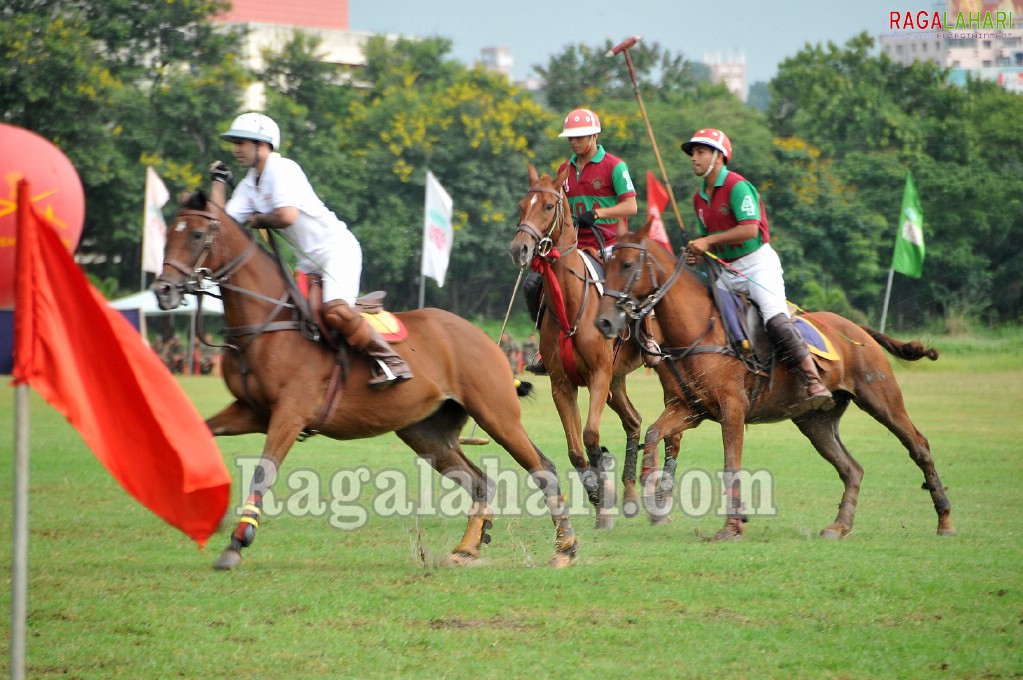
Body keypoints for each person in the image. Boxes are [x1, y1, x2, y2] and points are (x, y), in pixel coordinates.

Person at [208, 112, 412, 388]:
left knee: (336, 311)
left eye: (242, 142)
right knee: (287, 312)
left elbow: (287, 216)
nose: (236, 149)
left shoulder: (282, 169)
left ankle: (392, 361)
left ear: (262, 145)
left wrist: (258, 220)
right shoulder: (248, 184)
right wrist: (218, 182)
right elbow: (222, 224)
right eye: (234, 143)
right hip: (307, 264)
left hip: (336, 250)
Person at [681, 128, 833, 409]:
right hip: (726, 272)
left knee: (775, 320)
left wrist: (708, 241)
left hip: (757, 266)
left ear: (719, 156)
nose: (694, 158)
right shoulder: (699, 197)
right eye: (693, 153)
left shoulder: (738, 187)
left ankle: (812, 378)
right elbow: (709, 243)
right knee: (706, 318)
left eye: (701, 152)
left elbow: (749, 229)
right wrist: (698, 254)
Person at [522, 107, 638, 374]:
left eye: (579, 137)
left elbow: (630, 206)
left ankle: (647, 342)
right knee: (533, 284)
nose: (573, 142)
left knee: (627, 288)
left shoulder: (614, 166)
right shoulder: (565, 169)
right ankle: (547, 348)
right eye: (570, 138)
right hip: (572, 247)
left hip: (608, 242)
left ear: (594, 135)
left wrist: (597, 213)